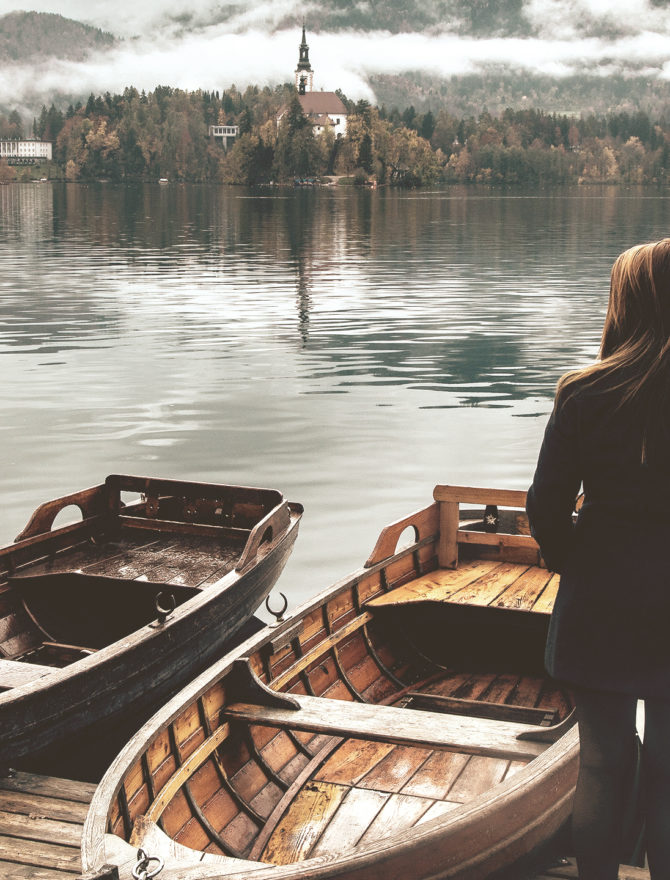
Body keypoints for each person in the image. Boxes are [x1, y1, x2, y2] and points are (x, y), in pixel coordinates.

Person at [527, 239, 670, 880]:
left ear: (628, 306)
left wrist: (575, 563)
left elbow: (545, 508)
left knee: (602, 763)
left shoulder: (583, 393)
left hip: (600, 601)